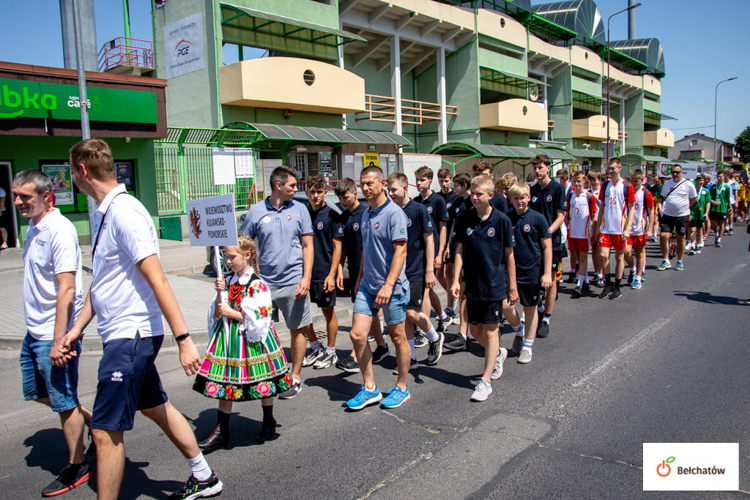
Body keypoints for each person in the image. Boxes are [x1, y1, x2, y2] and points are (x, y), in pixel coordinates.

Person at [60, 139, 222, 500]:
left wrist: (183, 340)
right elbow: (101, 285)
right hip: (125, 333)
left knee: (103, 431)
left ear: (82, 171)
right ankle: (205, 476)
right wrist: (76, 329)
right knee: (156, 407)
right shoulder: (108, 212)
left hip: (129, 336)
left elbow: (157, 278)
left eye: (71, 172)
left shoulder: (125, 213)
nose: (72, 178)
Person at [14, 169, 94, 497]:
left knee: (62, 401)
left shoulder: (58, 230)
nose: (17, 201)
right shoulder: (35, 227)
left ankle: (78, 466)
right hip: (34, 331)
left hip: (52, 333)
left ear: (46, 197)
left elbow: (67, 289)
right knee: (39, 392)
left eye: (25, 197)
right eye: (16, 195)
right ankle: (97, 423)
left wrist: (61, 339)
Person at [194, 235, 292, 452]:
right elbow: (218, 310)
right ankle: (222, 431)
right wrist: (221, 292)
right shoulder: (229, 280)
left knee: (263, 380)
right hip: (229, 338)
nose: (228, 262)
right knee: (225, 382)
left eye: (232, 257)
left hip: (251, 338)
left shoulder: (257, 284)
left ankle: (268, 421)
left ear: (247, 255)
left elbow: (262, 316)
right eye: (226, 257)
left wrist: (231, 312)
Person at [244, 165, 315, 399]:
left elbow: (307, 246)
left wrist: (306, 277)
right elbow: (246, 246)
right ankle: (268, 373)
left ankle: (295, 377)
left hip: (294, 282)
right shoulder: (255, 212)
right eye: (292, 185)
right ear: (279, 186)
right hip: (263, 286)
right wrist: (249, 278)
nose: (296, 189)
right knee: (262, 331)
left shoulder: (300, 210)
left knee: (297, 330)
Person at [345, 166, 412, 410]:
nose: (365, 188)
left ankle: (402, 387)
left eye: (370, 183)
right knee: (357, 335)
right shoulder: (366, 213)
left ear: (382, 182)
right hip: (368, 287)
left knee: (397, 337)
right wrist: (360, 278)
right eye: (362, 184)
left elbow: (401, 251)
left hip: (391, 289)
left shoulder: (394, 214)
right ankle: (370, 388)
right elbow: (367, 250)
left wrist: (388, 286)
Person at [451, 175, 514, 401]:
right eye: (473, 193)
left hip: (494, 284)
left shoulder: (502, 220)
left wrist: (512, 286)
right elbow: (459, 249)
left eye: (479, 194)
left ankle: (485, 381)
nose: (474, 197)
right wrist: (456, 280)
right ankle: (497, 354)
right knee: (475, 331)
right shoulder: (465, 218)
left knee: (490, 330)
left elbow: (509, 254)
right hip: (472, 283)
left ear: (491, 196)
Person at [333, 178, 390, 373]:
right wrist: (340, 269)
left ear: (355, 193)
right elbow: (344, 247)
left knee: (362, 316)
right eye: (340, 199)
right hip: (356, 272)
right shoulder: (343, 217)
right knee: (368, 313)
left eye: (346, 197)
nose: (343, 202)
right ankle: (382, 347)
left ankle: (354, 357)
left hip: (371, 272)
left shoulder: (366, 213)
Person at [387, 172, 443, 368]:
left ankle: (434, 337)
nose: (390, 193)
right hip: (398, 272)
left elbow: (429, 240)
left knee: (412, 313)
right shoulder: (391, 212)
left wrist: (429, 270)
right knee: (404, 316)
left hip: (416, 270)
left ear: (404, 188)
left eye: (393, 189)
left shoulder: (419, 210)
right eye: (388, 190)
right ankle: (411, 358)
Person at [503, 182, 552, 365]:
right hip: (510, 272)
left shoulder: (538, 218)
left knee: (530, 309)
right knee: (506, 306)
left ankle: (528, 347)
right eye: (515, 198)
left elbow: (547, 247)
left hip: (532, 271)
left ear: (529, 198)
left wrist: (547, 273)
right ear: (510, 199)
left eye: (522, 197)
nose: (519, 201)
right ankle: (519, 333)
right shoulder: (506, 218)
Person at [301, 176, 344, 370]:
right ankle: (315, 346)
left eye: (319, 192)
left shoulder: (332, 216)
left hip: (324, 273)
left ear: (326, 193)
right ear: (306, 193)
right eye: (312, 192)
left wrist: (332, 274)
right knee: (300, 313)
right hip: (304, 274)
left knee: (328, 312)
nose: (315, 195)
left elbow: (338, 248)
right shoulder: (304, 214)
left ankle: (331, 351)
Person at [529, 155, 565, 337]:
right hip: (533, 245)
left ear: (548, 168)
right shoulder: (532, 190)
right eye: (535, 167)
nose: (537, 171)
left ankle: (546, 319)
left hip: (552, 243)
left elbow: (561, 216)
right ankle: (539, 308)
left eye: (540, 167)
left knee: (550, 281)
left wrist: (547, 232)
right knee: (534, 281)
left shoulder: (558, 189)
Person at [413, 166, 451, 339]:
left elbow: (443, 228)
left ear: (430, 181)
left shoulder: (438, 201)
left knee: (426, 291)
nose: (418, 183)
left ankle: (423, 330)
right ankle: (443, 316)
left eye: (422, 179)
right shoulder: (415, 201)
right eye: (417, 179)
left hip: (433, 250)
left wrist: (440, 253)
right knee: (426, 289)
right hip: (419, 252)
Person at [593, 158, 636, 300]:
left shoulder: (627, 186)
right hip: (606, 228)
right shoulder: (605, 186)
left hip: (620, 229)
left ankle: (617, 287)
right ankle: (607, 284)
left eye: (613, 168)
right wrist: (597, 227)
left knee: (619, 257)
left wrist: (628, 228)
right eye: (609, 168)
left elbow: (631, 209)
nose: (610, 171)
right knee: (603, 256)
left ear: (619, 168)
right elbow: (601, 208)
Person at [443, 173, 473, 351]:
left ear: (464, 184)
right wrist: (449, 245)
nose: (454, 188)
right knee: (462, 292)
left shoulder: (473, 203)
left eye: (457, 184)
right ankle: (462, 334)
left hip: (473, 252)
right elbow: (454, 224)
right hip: (459, 247)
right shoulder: (457, 203)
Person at [655, 165, 696, 270]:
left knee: (680, 237)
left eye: (677, 172)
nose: (675, 174)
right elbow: (664, 197)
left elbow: (693, 199)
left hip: (681, 215)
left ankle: (680, 261)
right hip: (667, 214)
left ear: (681, 172)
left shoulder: (688, 184)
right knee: (664, 235)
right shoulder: (667, 184)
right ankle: (666, 260)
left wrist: (684, 208)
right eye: (673, 172)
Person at [565, 171, 598, 297]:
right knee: (578, 256)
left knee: (583, 258)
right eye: (575, 181)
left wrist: (594, 230)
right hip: (573, 231)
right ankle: (586, 280)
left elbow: (594, 215)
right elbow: (567, 213)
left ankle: (579, 283)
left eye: (579, 181)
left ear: (584, 181)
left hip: (584, 232)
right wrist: (566, 226)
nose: (577, 184)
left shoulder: (589, 196)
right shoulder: (570, 196)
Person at [623, 170, 654, 290]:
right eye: (632, 181)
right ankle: (632, 269)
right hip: (627, 228)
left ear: (642, 181)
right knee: (626, 252)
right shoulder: (626, 191)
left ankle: (638, 277)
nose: (634, 183)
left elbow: (651, 212)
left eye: (636, 181)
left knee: (639, 252)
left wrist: (650, 229)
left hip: (640, 228)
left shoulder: (646, 193)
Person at [436, 167, 460, 320]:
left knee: (449, 273)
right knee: (439, 274)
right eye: (441, 181)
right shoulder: (437, 198)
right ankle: (454, 295)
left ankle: (450, 306)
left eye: (446, 181)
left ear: (451, 180)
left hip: (452, 240)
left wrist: (449, 245)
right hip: (438, 240)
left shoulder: (456, 198)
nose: (444, 184)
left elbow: (455, 223)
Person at [586, 171, 605, 287]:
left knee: (601, 250)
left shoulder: (603, 192)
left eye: (595, 179)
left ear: (599, 180)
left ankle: (601, 274)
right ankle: (597, 272)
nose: (593, 182)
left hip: (602, 223)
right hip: (591, 223)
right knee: (594, 249)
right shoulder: (587, 193)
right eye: (591, 180)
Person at [687, 174, 711, 255]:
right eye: (700, 180)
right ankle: (692, 244)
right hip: (692, 213)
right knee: (692, 229)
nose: (702, 182)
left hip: (700, 213)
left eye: (703, 180)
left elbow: (708, 202)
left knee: (700, 229)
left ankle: (698, 244)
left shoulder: (705, 191)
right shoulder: (692, 190)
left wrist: (706, 213)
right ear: (696, 181)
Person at [709, 170, 732, 248]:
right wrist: (712, 201)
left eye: (720, 177)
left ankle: (719, 239)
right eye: (718, 177)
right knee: (713, 224)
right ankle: (716, 233)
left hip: (722, 208)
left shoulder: (727, 187)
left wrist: (730, 207)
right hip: (714, 208)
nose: (719, 178)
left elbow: (728, 198)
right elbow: (709, 197)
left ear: (724, 177)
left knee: (722, 223)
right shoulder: (713, 186)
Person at [0, 184, 8, 250]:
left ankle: (4, 243)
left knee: (1, 227)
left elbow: (2, 201)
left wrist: (0, 210)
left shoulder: (1, 191)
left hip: (1, 211)